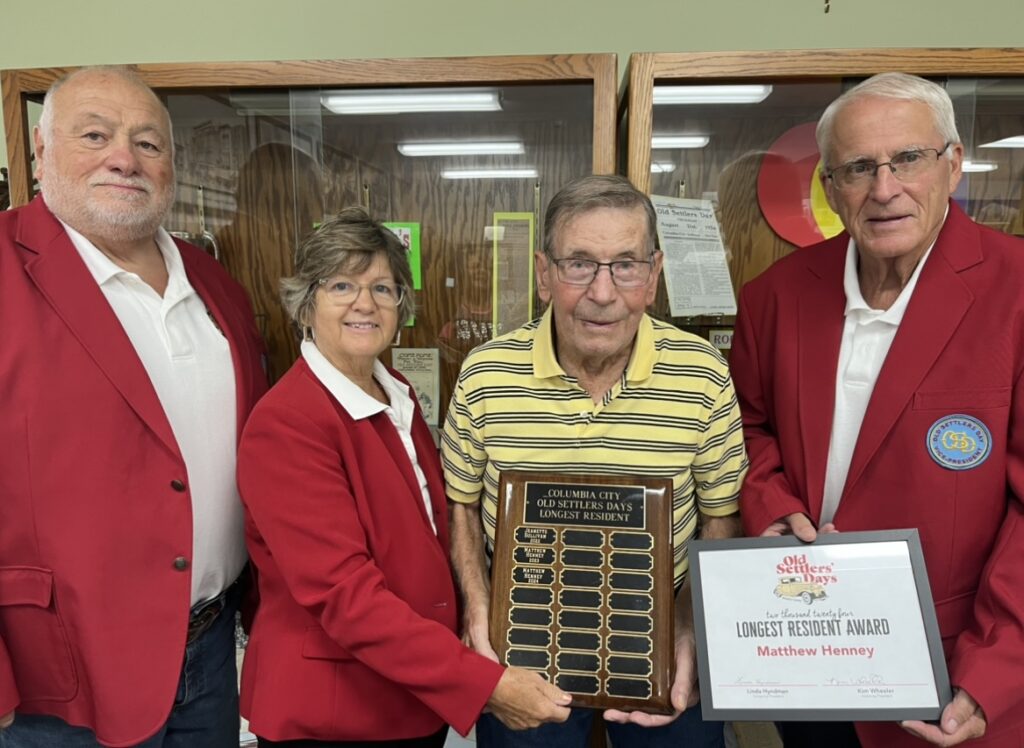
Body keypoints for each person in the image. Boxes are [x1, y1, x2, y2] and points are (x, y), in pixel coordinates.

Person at [730, 72, 1024, 748]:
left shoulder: (1015, 291)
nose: (884, 188)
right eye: (858, 168)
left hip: (952, 674)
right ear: (831, 189)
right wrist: (767, 500)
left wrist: (994, 669)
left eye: (908, 160)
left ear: (952, 165)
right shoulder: (774, 296)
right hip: (805, 648)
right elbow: (746, 426)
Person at [0, 67, 268, 746]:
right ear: (41, 149)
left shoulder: (215, 284)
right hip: (55, 681)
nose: (124, 157)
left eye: (148, 143)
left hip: (209, 653)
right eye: (95, 135)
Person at [235, 208, 571, 746]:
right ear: (306, 303)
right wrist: (483, 684)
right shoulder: (287, 424)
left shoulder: (393, 391)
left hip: (407, 695)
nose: (365, 303)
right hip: (336, 713)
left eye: (383, 288)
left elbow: (429, 532)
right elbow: (346, 598)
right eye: (342, 284)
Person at [442, 174, 747, 748]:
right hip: (523, 650)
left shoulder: (703, 373)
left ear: (653, 275)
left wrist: (689, 629)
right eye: (578, 264)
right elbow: (460, 503)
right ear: (543, 273)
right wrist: (477, 616)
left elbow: (720, 513)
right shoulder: (485, 375)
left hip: (659, 647)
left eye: (626, 265)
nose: (603, 293)